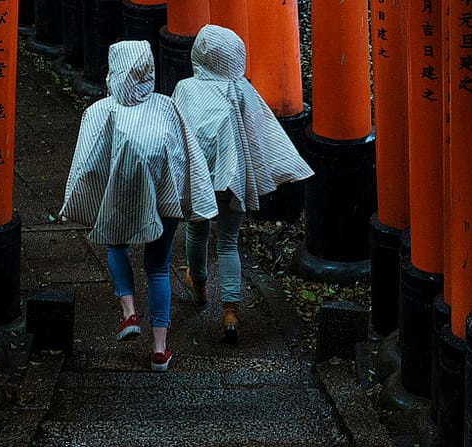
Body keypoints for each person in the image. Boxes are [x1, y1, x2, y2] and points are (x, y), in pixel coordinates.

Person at [60, 40, 217, 372]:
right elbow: (186, 156)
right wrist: (195, 197)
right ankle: (160, 349)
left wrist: (81, 202)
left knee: (115, 243)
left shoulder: (102, 111)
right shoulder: (167, 107)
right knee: (159, 267)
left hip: (120, 196)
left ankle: (129, 311)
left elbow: (87, 162)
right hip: (164, 198)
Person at [174, 23, 313, 344]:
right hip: (231, 178)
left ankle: (199, 284)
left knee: (196, 229)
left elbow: (175, 129)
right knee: (227, 242)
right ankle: (231, 313)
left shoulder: (185, 88)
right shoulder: (241, 91)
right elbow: (262, 134)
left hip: (198, 178)